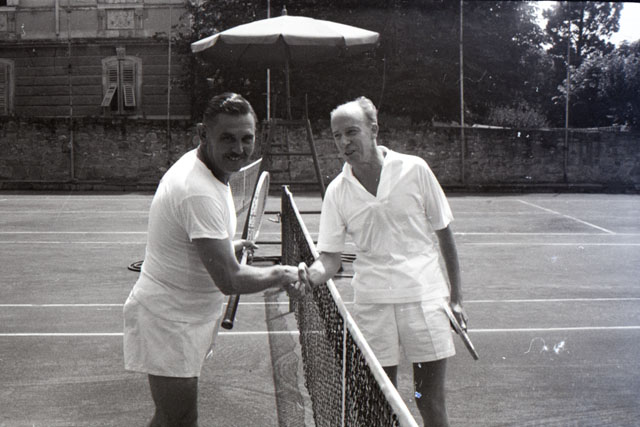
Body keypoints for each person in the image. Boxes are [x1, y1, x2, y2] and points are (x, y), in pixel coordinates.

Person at [123, 92, 300, 427]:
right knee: (179, 419)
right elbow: (230, 280)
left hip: (187, 316)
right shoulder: (198, 190)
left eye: (247, 138)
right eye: (227, 138)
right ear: (203, 134)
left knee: (172, 419)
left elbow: (193, 241)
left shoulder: (209, 169)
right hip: (169, 321)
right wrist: (283, 273)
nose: (239, 149)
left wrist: (226, 246)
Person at [297, 96, 466, 427]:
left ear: (373, 130)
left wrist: (457, 299)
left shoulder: (415, 169)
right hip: (373, 304)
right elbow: (329, 258)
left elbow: (444, 233)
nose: (344, 142)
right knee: (377, 402)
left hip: (424, 298)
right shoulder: (337, 191)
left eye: (351, 132)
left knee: (428, 399)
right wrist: (309, 276)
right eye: (337, 135)